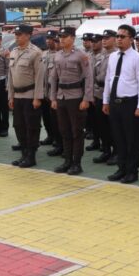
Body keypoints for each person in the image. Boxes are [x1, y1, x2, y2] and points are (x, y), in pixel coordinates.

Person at [103, 24, 139, 183]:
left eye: (122, 36)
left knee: (132, 140)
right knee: (118, 138)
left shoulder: (137, 58)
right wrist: (106, 100)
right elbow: (109, 79)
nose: (119, 39)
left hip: (130, 103)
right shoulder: (113, 57)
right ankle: (121, 169)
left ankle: (132, 171)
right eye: (118, 36)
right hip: (115, 102)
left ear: (131, 39)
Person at [49, 26, 93, 175]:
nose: (61, 39)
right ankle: (67, 161)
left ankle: (76, 163)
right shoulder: (58, 55)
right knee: (64, 131)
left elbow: (88, 77)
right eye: (60, 36)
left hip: (76, 97)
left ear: (73, 38)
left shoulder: (81, 56)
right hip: (61, 97)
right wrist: (53, 97)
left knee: (77, 132)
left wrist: (86, 98)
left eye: (65, 36)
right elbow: (53, 78)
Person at [8, 24, 46, 168]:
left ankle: (31, 155)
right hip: (17, 95)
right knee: (18, 125)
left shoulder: (35, 52)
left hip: (30, 95)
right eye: (16, 34)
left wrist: (37, 98)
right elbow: (10, 77)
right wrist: (10, 96)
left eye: (20, 34)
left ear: (28, 35)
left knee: (31, 126)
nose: (16, 37)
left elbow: (39, 77)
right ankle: (24, 153)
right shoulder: (14, 52)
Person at [92, 30, 115, 164]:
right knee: (102, 125)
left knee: (113, 126)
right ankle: (106, 150)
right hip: (100, 92)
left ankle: (116, 152)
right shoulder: (100, 55)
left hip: (112, 94)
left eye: (107, 38)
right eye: (103, 38)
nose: (104, 40)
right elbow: (94, 75)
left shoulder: (117, 55)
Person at [41, 30, 63, 156]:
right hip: (45, 91)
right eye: (48, 39)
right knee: (47, 118)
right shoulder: (44, 54)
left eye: (52, 39)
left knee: (58, 120)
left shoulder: (59, 55)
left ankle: (59, 141)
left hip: (57, 92)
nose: (49, 41)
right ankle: (50, 136)